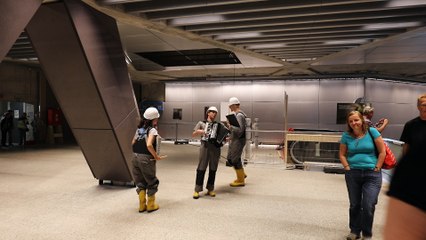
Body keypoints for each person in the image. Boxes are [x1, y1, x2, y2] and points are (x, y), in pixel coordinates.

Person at [383, 94, 426, 240]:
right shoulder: (411, 125)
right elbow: (406, 147)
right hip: (415, 174)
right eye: (424, 104)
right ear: (418, 106)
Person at [339, 110, 386, 240]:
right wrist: (347, 167)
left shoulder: (372, 132)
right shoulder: (346, 136)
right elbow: (342, 154)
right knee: (355, 204)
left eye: (356, 120)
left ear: (362, 120)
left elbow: (382, 152)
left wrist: (377, 167)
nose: (354, 123)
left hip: (372, 174)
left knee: (368, 204)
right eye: (351, 121)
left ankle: (367, 233)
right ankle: (354, 231)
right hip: (353, 173)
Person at [131, 107, 166, 213]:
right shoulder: (152, 130)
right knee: (152, 181)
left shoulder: (139, 129)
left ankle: (142, 205)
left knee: (140, 181)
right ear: (154, 119)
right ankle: (150, 205)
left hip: (135, 157)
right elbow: (149, 144)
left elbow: (132, 143)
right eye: (157, 118)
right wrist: (155, 156)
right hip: (146, 158)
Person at [192, 106, 226, 199]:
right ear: (208, 113)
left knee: (213, 168)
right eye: (212, 112)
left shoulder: (219, 125)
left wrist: (224, 139)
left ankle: (210, 188)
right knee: (201, 168)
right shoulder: (201, 123)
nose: (214, 114)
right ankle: (197, 190)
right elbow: (193, 133)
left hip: (215, 148)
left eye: (215, 113)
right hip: (205, 147)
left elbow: (225, 136)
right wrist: (202, 131)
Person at [226, 97, 247, 187]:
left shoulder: (239, 116)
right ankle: (242, 174)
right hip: (236, 139)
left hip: (238, 140)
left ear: (234, 105)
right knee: (233, 158)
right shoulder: (238, 115)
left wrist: (230, 126)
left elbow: (239, 130)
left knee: (235, 159)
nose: (230, 108)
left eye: (230, 106)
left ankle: (240, 180)